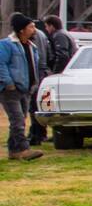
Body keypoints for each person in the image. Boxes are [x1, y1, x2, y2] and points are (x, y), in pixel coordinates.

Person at [1, 14, 44, 161]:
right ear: (21, 30)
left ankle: (13, 150)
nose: (34, 29)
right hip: (11, 90)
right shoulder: (7, 45)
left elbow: (34, 66)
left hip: (26, 88)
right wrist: (8, 83)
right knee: (18, 119)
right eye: (31, 26)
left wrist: (34, 83)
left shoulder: (31, 46)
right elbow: (1, 64)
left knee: (20, 119)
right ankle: (23, 149)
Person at [27, 18, 51, 147]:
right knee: (38, 104)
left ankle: (36, 135)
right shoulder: (42, 34)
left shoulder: (34, 36)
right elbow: (49, 53)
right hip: (43, 70)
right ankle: (39, 133)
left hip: (37, 71)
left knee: (33, 106)